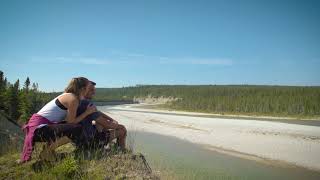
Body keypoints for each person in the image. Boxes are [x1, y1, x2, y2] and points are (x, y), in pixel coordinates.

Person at [20, 77, 97, 163]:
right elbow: (71, 122)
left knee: (69, 127)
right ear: (83, 89)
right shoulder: (73, 99)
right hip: (39, 129)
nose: (89, 90)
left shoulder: (67, 95)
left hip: (38, 128)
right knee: (77, 128)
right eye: (88, 88)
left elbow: (68, 120)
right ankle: (46, 152)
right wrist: (87, 112)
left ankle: (48, 150)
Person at [77, 80, 127, 151]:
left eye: (94, 90)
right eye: (91, 90)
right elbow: (107, 124)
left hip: (80, 139)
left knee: (99, 123)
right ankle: (122, 151)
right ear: (83, 90)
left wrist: (111, 119)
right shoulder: (86, 103)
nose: (94, 92)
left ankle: (105, 145)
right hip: (89, 141)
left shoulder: (78, 101)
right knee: (122, 130)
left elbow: (98, 113)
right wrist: (121, 126)